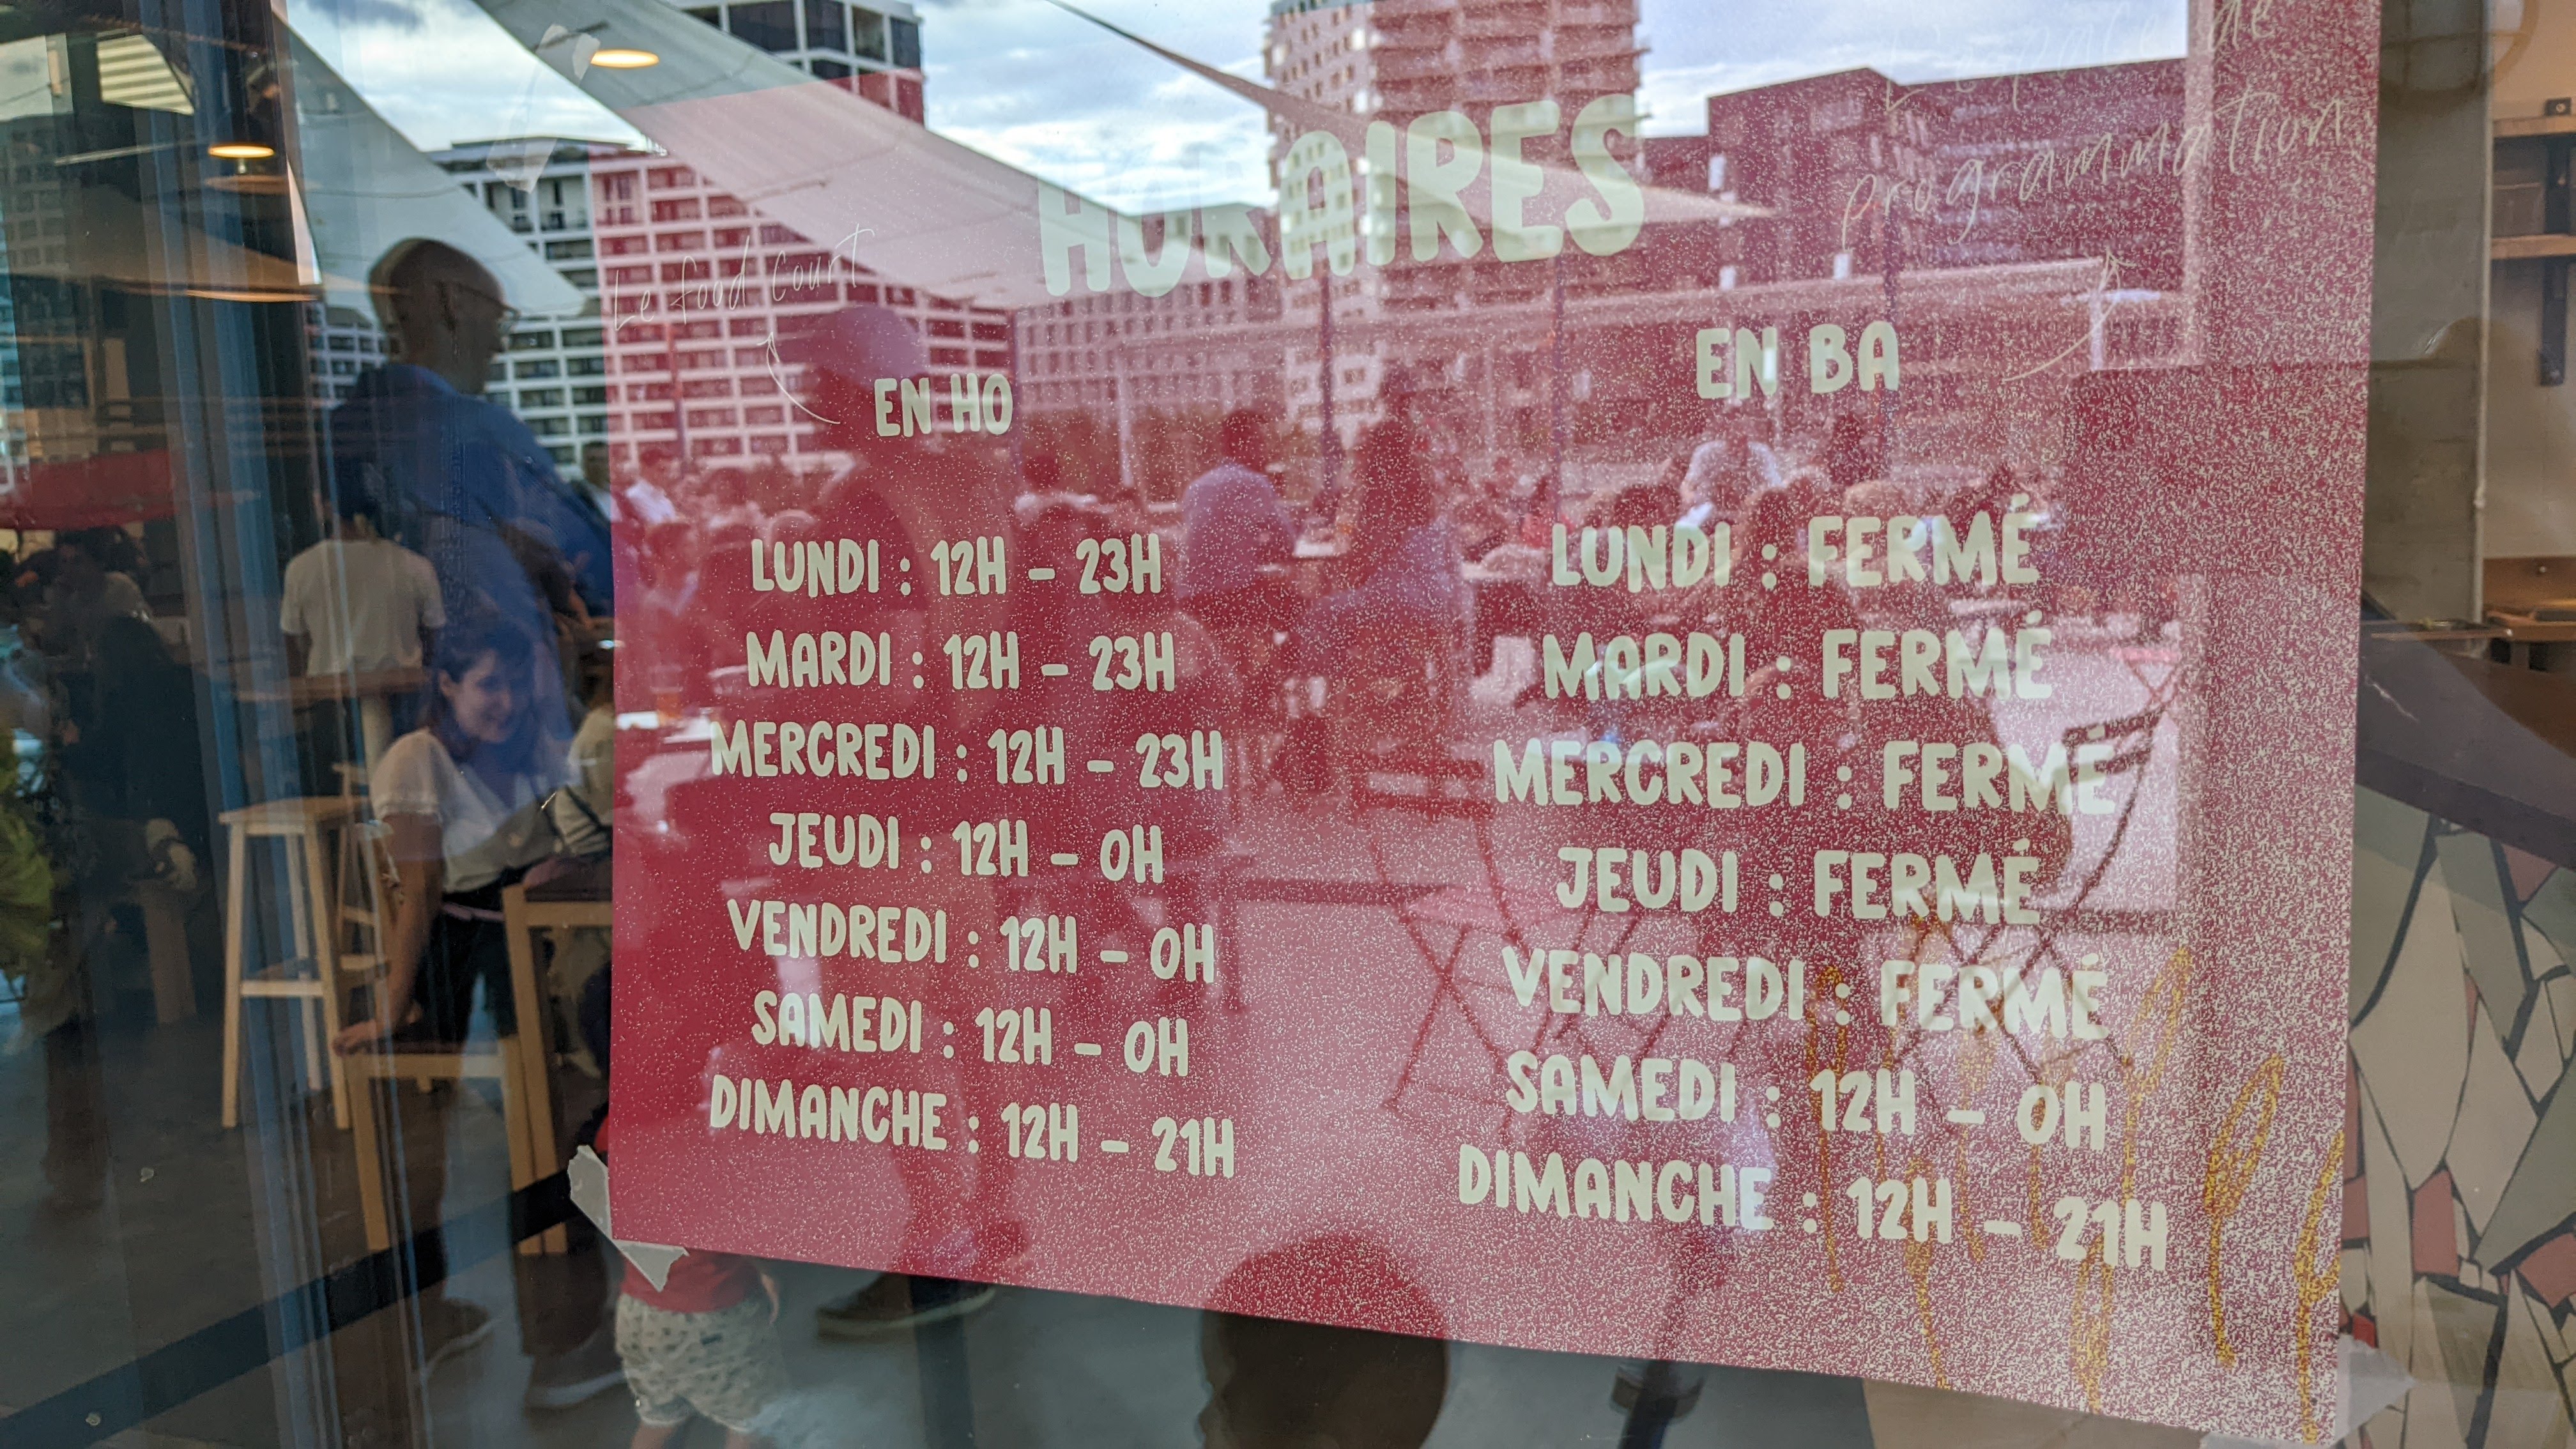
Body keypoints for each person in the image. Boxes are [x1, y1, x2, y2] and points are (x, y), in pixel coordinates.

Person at [329, 613, 621, 1412]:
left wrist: (557, 862)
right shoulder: (416, 759)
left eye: (518, 682)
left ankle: (557, 1339)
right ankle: (470, 1330)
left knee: (549, 1128)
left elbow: (562, 839)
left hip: (522, 945)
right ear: (448, 683)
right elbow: (420, 893)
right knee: (479, 1142)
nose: (508, 700)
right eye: (490, 683)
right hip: (457, 959)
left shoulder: (522, 748)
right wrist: (391, 1008)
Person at [327, 239, 610, 762]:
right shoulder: (477, 433)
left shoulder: (335, 436)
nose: (499, 345)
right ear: (452, 303)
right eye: (498, 319)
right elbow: (600, 574)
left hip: (373, 735)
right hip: (503, 725)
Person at [280, 484, 445, 766]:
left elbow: (292, 644)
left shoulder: (302, 568)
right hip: (405, 705)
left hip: (331, 710)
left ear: (325, 506)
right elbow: (435, 638)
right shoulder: (415, 566)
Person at [1177, 409, 1299, 634]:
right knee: (1298, 606)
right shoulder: (1256, 483)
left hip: (1189, 602)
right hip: (1232, 600)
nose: (1266, 451)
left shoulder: (1195, 488)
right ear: (1245, 446)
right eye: (1261, 443)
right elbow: (1287, 544)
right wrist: (1258, 549)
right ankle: (1272, 657)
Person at [40, 527, 148, 670]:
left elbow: (141, 637)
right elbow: (53, 643)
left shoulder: (120, 588)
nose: (68, 570)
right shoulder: (72, 601)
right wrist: (59, 601)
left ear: (97, 562)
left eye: (77, 562)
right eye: (64, 562)